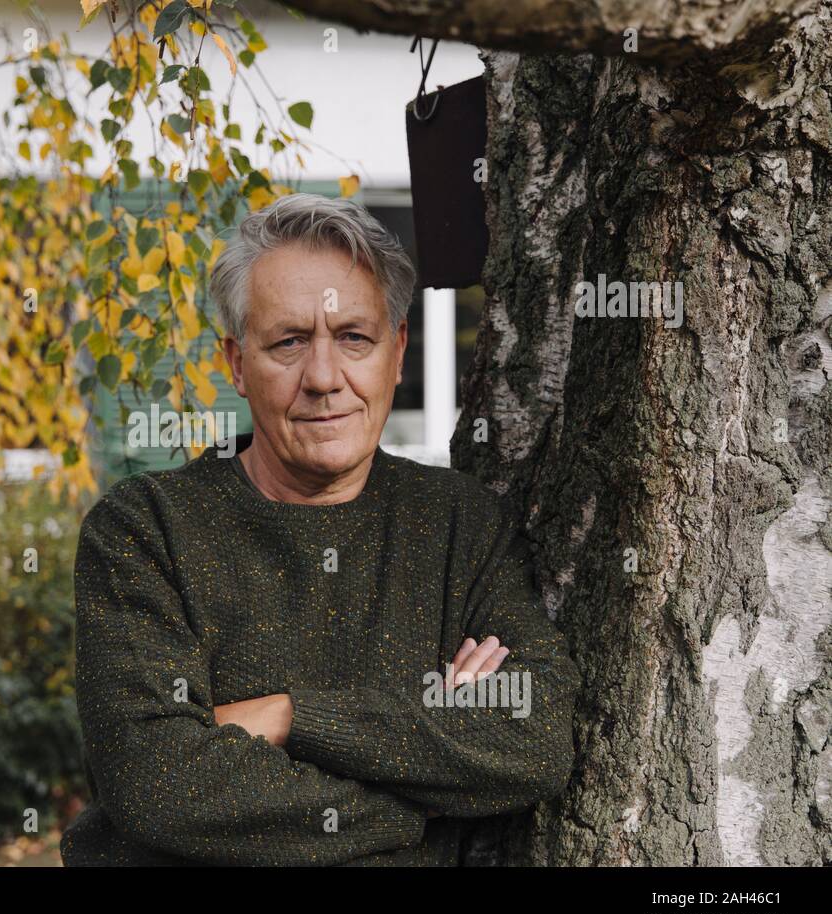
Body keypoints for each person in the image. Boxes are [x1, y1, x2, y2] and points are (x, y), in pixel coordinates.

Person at [60, 193, 581, 866]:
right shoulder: (145, 530)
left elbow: (535, 740)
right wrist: (424, 792)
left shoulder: (459, 525)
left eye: (354, 339)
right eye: (289, 342)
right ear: (236, 364)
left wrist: (285, 718)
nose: (325, 379)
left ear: (396, 353)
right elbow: (158, 783)